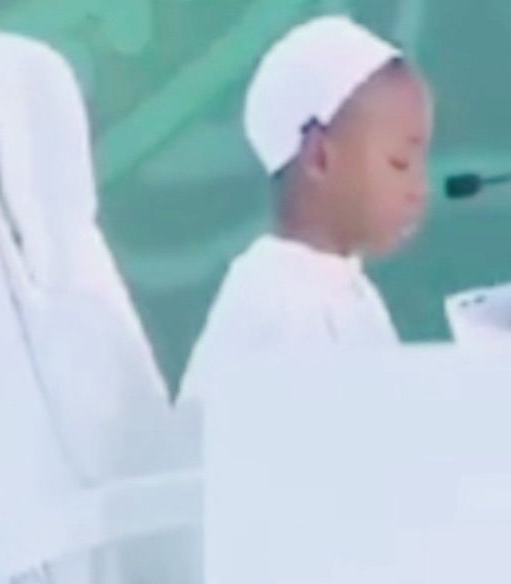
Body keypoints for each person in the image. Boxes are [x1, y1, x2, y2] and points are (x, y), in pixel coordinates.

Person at [179, 15, 434, 398]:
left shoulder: (351, 291)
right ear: (319, 158)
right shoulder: (281, 305)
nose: (420, 190)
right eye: (399, 163)